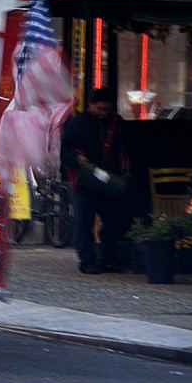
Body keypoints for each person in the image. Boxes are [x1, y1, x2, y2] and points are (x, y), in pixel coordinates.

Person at [61, 87, 129, 274]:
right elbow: (64, 151)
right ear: (90, 105)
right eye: (99, 109)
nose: (103, 113)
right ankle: (87, 260)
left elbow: (125, 149)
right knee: (85, 221)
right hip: (85, 181)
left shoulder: (117, 124)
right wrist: (76, 158)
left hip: (109, 180)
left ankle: (108, 258)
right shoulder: (76, 124)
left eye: (106, 110)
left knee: (114, 220)